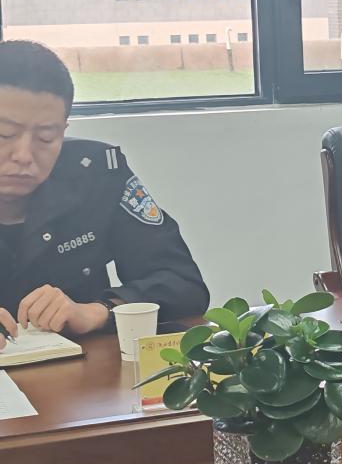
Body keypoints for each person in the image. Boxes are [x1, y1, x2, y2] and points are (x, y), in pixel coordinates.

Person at [0, 40, 209, 349]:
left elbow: (183, 284)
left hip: (82, 370)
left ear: (63, 130)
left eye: (45, 138)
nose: (23, 155)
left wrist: (97, 312)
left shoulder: (96, 174)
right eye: (4, 134)